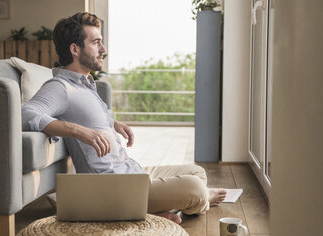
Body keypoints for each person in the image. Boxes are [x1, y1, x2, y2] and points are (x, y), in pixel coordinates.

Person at [22, 12, 226, 224]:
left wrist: (113, 123)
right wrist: (77, 130)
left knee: (197, 172)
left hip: (132, 170)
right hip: (114, 186)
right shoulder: (61, 87)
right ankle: (170, 205)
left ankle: (150, 211)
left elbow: (89, 117)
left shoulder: (86, 84)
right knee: (196, 189)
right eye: (96, 43)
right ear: (75, 49)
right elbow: (26, 114)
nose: (103, 50)